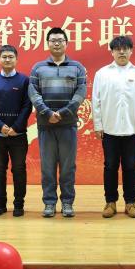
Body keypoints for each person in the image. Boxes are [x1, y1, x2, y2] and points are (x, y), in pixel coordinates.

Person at [29, 27, 87, 218]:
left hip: (68, 125)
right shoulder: (38, 68)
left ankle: (67, 202)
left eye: (60, 40)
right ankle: (49, 203)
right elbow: (33, 93)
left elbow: (81, 92)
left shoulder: (77, 67)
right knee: (47, 167)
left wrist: (63, 113)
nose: (56, 43)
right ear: (48, 43)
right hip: (46, 125)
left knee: (68, 167)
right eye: (53, 40)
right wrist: (47, 113)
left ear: (66, 43)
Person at [92, 36, 135, 219]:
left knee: (130, 166)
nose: (122, 52)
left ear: (131, 51)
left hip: (133, 130)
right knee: (110, 166)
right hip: (109, 129)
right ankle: (110, 202)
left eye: (125, 48)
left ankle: (130, 202)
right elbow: (96, 101)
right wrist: (98, 125)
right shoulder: (102, 73)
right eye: (118, 49)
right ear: (112, 52)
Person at [0, 45, 32, 217]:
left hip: (18, 135)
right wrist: (0, 126)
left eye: (10, 57)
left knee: (19, 169)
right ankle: (0, 204)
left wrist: (15, 127)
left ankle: (19, 204)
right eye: (4, 57)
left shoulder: (24, 81)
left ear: (16, 59)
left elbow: (27, 106)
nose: (7, 59)